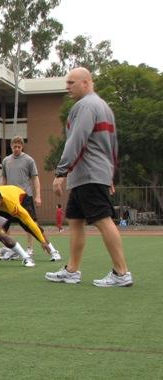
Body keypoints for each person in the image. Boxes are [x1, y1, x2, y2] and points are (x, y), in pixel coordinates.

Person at [48, 67, 133, 287]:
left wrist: (61, 172)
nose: (67, 87)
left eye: (71, 83)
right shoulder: (104, 107)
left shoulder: (85, 106)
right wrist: (110, 173)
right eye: (67, 83)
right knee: (75, 220)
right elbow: (112, 145)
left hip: (88, 173)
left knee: (103, 219)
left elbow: (77, 140)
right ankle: (72, 271)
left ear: (86, 83)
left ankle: (121, 273)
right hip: (92, 174)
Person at [0, 186, 61, 261]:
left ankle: (53, 251)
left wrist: (42, 241)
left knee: (28, 227)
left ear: (1, 200)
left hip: (22, 200)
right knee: (0, 228)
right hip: (5, 203)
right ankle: (14, 250)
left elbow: (30, 223)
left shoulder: (13, 205)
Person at [1, 136, 41, 256]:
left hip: (25, 196)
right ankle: (10, 248)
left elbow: (35, 178)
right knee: (3, 224)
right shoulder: (5, 161)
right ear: (11, 146)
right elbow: (4, 178)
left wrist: (38, 196)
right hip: (9, 198)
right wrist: (1, 194)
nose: (16, 149)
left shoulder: (29, 160)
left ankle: (29, 248)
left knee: (29, 223)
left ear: (22, 147)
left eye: (19, 146)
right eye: (14, 146)